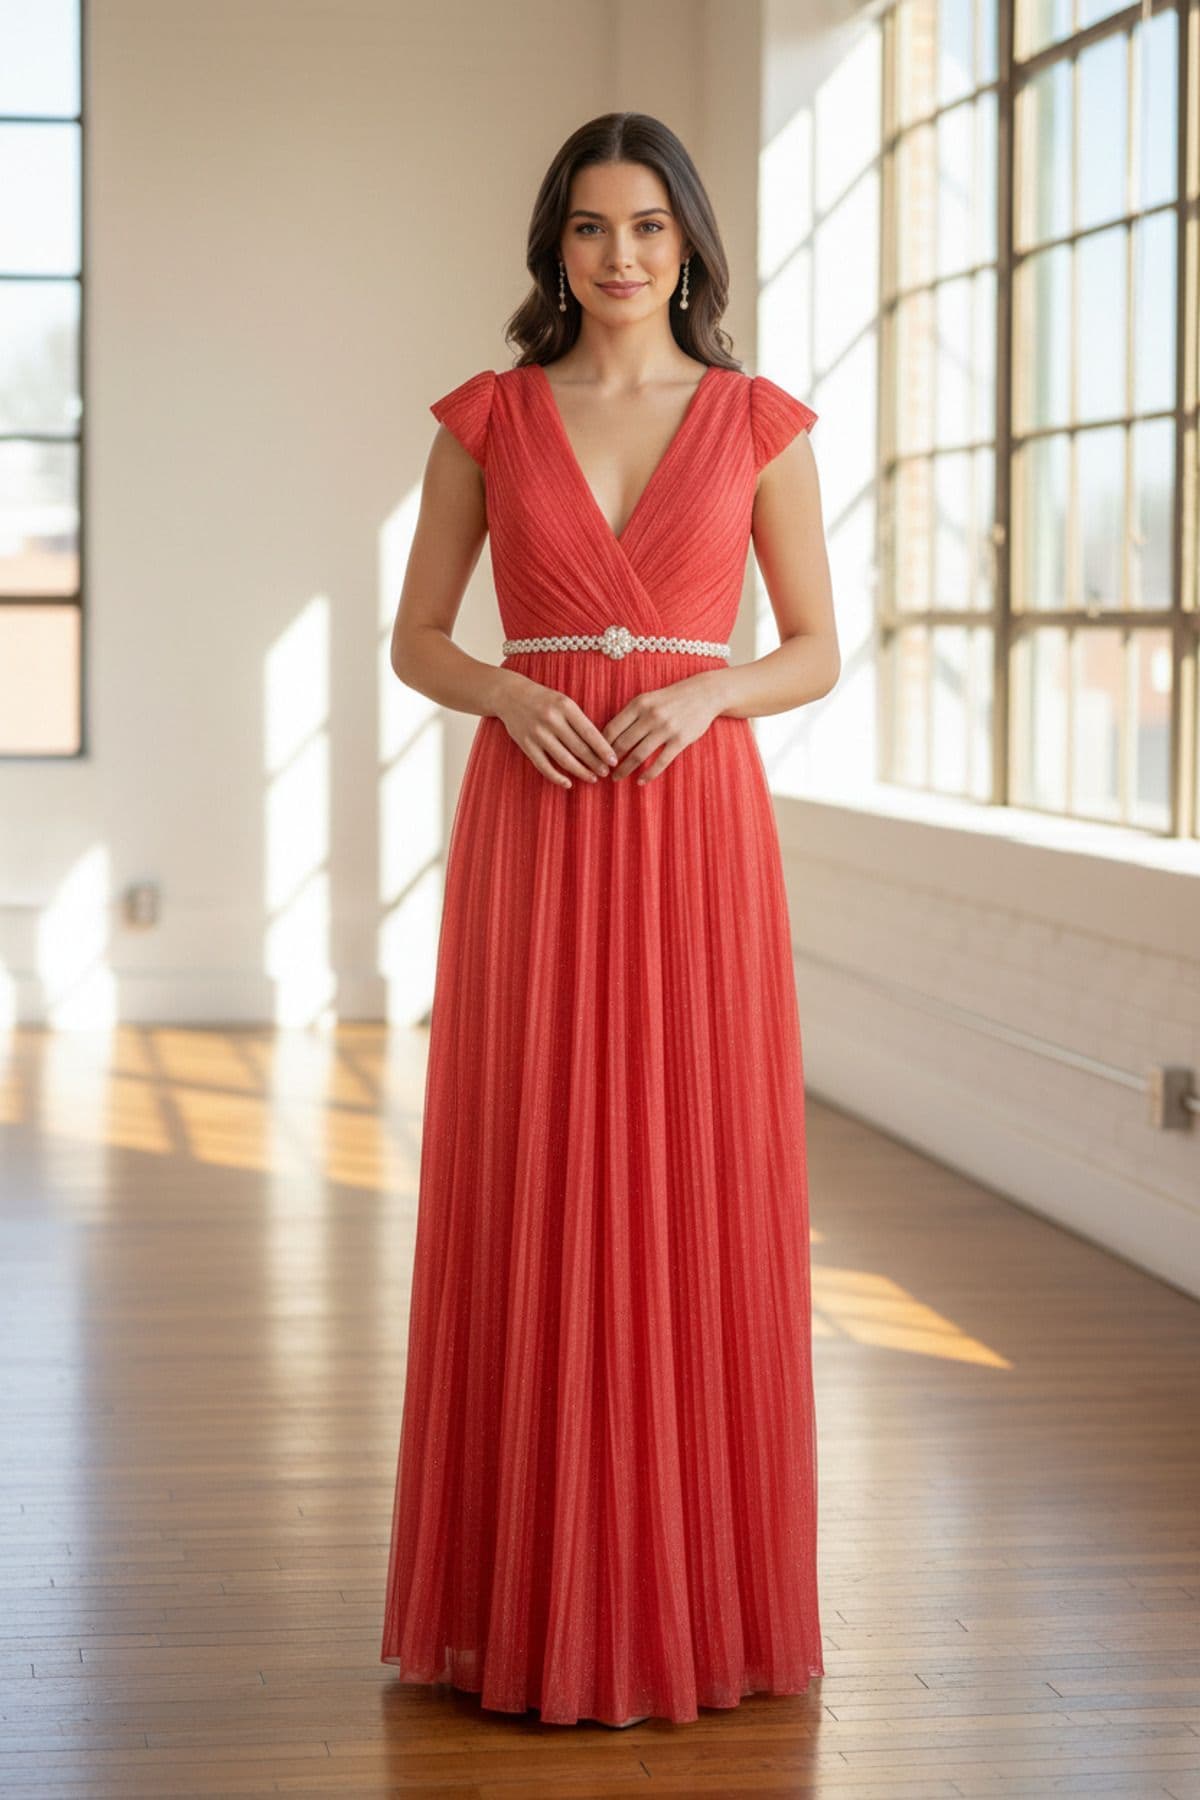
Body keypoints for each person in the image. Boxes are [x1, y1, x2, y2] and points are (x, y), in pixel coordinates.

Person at [380, 109, 839, 1731]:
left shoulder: (758, 422)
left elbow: (815, 650)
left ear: (691, 243)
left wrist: (713, 696)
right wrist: (507, 690)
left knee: (689, 1167)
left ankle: (686, 1592)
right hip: (539, 805)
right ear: (553, 246)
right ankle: (522, 1592)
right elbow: (417, 638)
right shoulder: (490, 417)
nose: (621, 256)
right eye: (591, 227)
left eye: (648, 226)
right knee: (539, 1164)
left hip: (694, 823)